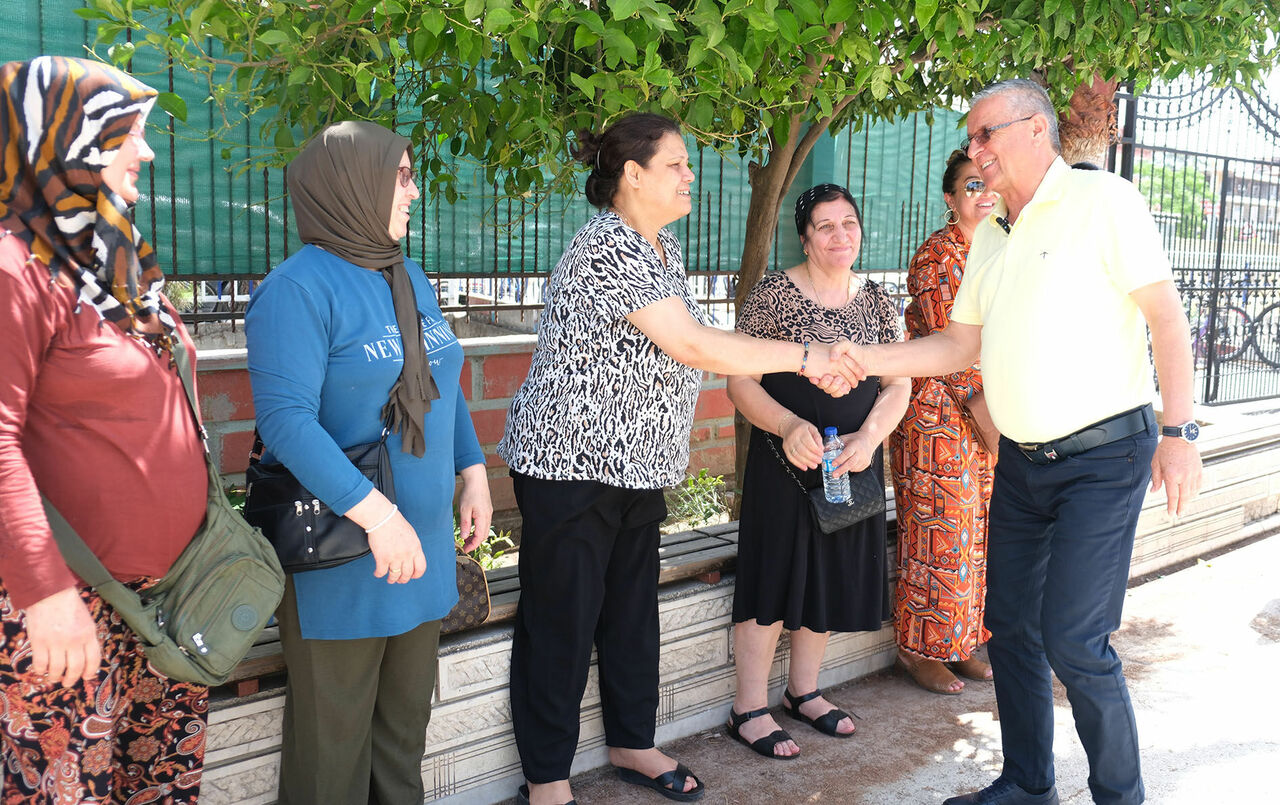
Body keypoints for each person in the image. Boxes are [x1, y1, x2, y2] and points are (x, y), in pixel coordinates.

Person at [841, 78, 1202, 805]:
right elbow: (952, 346)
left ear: (1037, 130)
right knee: (1007, 625)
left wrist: (1179, 431)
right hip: (1023, 464)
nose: (973, 150)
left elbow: (1166, 317)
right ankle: (1028, 783)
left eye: (985, 134)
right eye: (969, 138)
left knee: (1075, 639)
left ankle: (1119, 796)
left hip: (1104, 457)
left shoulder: (1104, 203)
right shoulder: (994, 235)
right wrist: (863, 357)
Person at [497, 114, 861, 805]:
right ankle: (547, 780)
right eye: (676, 164)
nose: (690, 175)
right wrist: (807, 357)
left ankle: (631, 740)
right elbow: (694, 345)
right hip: (569, 467)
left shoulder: (661, 247)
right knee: (561, 623)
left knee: (632, 615)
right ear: (632, 175)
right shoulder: (607, 246)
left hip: (637, 466)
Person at [244, 121, 492, 805]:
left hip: (422, 545)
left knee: (401, 739)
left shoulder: (404, 272)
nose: (413, 191)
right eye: (401, 176)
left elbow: (435, 378)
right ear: (352, 186)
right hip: (347, 550)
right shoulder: (296, 290)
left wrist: (473, 471)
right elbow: (285, 421)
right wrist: (378, 516)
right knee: (334, 757)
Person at [0, 56, 208, 802]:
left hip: (161, 608)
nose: (145, 153)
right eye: (127, 134)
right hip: (68, 606)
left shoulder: (110, 258)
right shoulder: (15, 267)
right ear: (67, 138)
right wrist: (43, 591)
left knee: (160, 786)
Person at [725, 184, 908, 760]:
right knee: (772, 579)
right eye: (825, 226)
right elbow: (738, 379)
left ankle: (803, 691)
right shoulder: (774, 295)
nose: (839, 236)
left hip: (851, 464)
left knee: (825, 576)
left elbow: (899, 380)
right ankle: (747, 709)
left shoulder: (878, 302)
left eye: (848, 223)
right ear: (804, 237)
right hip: (786, 463)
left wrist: (871, 437)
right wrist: (785, 425)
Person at [888, 151, 1001, 695]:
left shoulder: (999, 249)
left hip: (987, 412)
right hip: (939, 417)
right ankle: (918, 649)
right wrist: (991, 424)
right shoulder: (938, 255)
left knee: (975, 534)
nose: (983, 193)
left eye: (989, 183)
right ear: (951, 197)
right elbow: (953, 351)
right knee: (937, 535)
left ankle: (961, 643)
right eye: (970, 185)